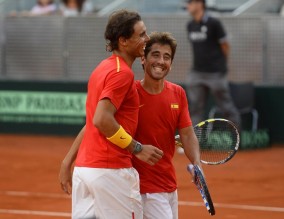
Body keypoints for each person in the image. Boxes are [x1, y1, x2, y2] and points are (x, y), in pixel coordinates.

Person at [59, 32, 201, 219]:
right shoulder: (129, 90)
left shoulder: (178, 93)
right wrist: (67, 161)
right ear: (143, 59)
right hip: (139, 189)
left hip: (168, 186)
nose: (161, 61)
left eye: (167, 57)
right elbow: (95, 125)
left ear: (171, 64)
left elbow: (188, 134)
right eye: (155, 55)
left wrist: (197, 163)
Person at [67, 9, 164, 219]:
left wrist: (68, 161)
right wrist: (137, 148)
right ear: (123, 41)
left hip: (85, 170)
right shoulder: (122, 74)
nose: (147, 39)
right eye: (141, 35)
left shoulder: (103, 68)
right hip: (110, 172)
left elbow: (92, 122)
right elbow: (101, 120)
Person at [186, 0, 241, 127]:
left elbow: (225, 45)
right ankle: (195, 143)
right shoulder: (190, 25)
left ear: (199, 4)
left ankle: (237, 140)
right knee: (195, 109)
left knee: (226, 107)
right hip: (196, 73)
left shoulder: (214, 23)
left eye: (190, 2)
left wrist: (222, 65)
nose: (187, 5)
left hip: (215, 73)